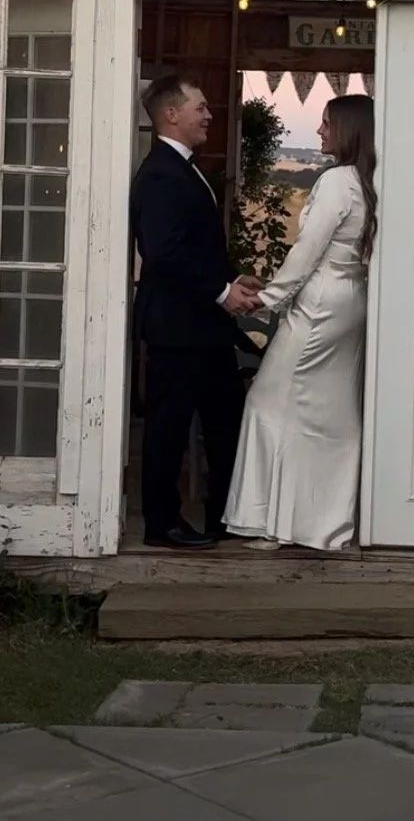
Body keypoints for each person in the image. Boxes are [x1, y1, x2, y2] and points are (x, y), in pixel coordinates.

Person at [224, 93, 377, 553]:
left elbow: (306, 252)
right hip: (350, 299)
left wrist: (265, 299)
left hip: (320, 305)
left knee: (269, 402)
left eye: (327, 123)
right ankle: (327, 521)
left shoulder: (336, 182)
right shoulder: (366, 180)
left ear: (348, 129)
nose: (320, 131)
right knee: (332, 411)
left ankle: (277, 523)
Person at [130, 70, 260, 551]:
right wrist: (219, 292)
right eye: (199, 106)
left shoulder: (182, 167)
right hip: (176, 325)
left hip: (203, 326)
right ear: (171, 114)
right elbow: (164, 253)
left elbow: (193, 247)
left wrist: (231, 282)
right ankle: (160, 523)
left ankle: (225, 514)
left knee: (225, 421)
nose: (209, 114)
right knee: (168, 426)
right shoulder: (162, 173)